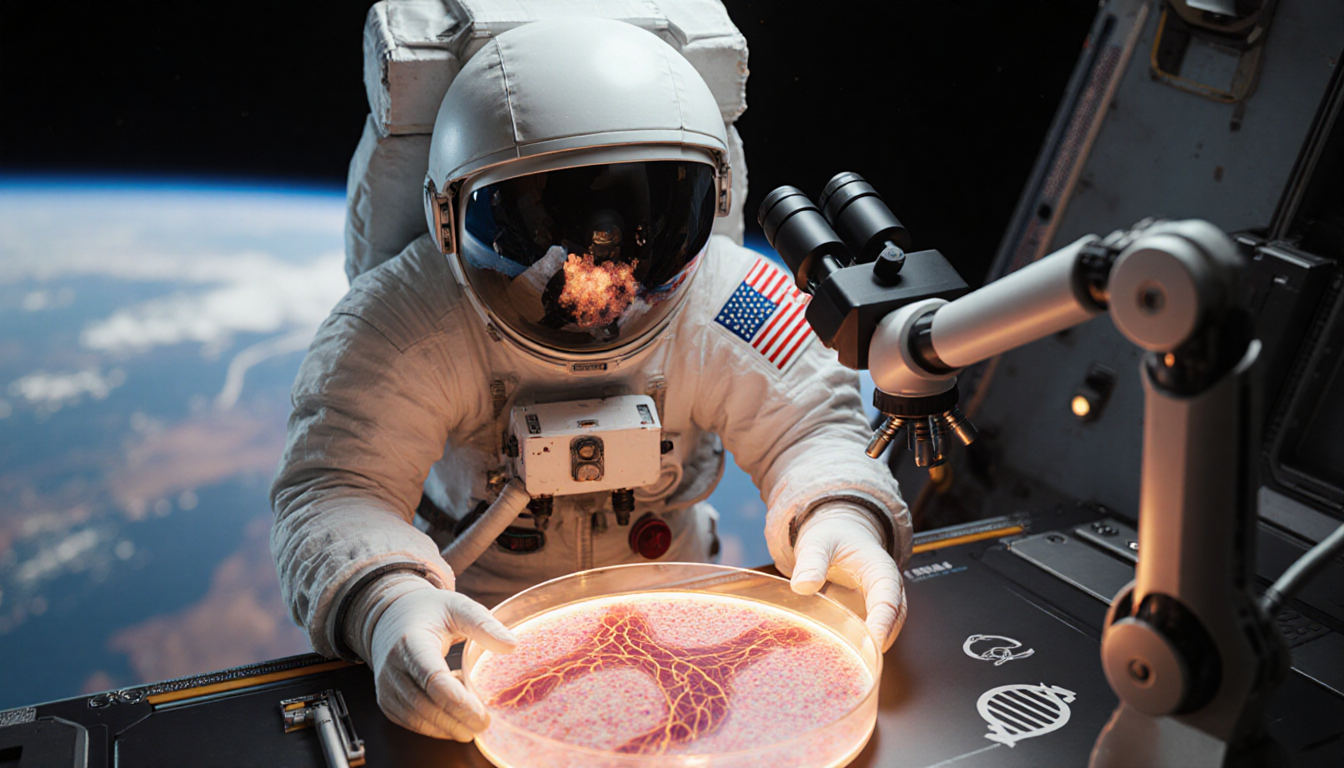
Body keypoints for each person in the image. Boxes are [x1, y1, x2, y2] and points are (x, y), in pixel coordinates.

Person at [271, 17, 911, 742]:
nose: (602, 287)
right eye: (551, 233)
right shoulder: (408, 319)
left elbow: (812, 428)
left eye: (647, 229)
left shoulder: (730, 296)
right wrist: (385, 602)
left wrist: (839, 511)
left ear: (713, 198)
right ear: (449, 219)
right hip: (482, 630)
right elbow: (337, 487)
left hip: (678, 605)